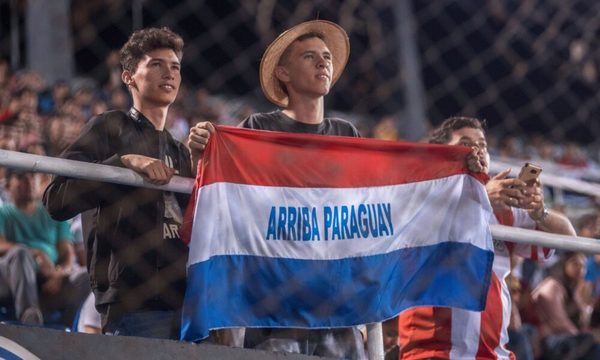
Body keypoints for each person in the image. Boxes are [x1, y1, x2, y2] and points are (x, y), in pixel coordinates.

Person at [188, 20, 365, 358]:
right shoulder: (258, 128)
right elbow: (224, 190)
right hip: (272, 297)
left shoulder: (347, 133)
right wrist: (202, 153)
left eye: (326, 56)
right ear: (283, 73)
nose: (323, 63)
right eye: (310, 56)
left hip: (335, 301)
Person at [43, 27, 192, 339]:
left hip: (185, 298)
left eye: (175, 66)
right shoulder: (108, 127)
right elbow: (55, 200)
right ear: (128, 77)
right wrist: (120, 163)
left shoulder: (180, 149)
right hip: (132, 300)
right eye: (156, 64)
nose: (169, 73)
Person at [398, 116, 577, 359]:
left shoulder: (502, 206)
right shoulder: (424, 191)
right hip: (434, 351)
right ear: (441, 153)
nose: (476, 149)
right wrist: (482, 197)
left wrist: (539, 212)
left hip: (493, 352)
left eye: (482, 144)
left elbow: (569, 237)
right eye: (465, 143)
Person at [0, 170, 89, 326]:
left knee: (85, 277)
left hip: (48, 282)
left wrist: (60, 274)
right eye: (21, 177)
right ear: (8, 185)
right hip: (12, 281)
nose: (29, 181)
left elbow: (67, 253)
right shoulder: (3, 213)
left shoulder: (52, 214)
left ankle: (66, 328)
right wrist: (35, 253)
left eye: (32, 177)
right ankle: (29, 317)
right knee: (20, 253)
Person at [531, 251, 600, 359]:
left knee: (596, 348)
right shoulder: (552, 286)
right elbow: (559, 322)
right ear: (564, 264)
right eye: (575, 264)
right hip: (548, 339)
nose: (579, 269)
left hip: (566, 337)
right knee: (590, 340)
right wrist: (583, 336)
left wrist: (584, 300)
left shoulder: (574, 289)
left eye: (583, 266)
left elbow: (584, 321)